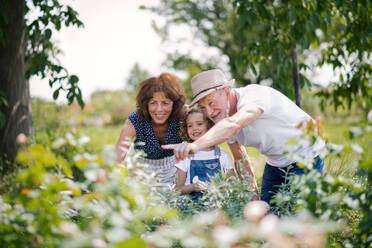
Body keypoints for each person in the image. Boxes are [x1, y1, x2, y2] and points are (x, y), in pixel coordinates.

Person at [162, 69, 324, 206]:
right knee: (266, 216)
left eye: (211, 103)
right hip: (276, 163)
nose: (209, 112)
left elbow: (235, 124)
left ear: (226, 91)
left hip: (306, 156)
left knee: (300, 218)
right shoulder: (223, 118)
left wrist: (194, 146)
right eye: (203, 107)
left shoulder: (254, 95)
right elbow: (241, 159)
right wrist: (252, 196)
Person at [116, 73, 186, 184]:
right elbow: (117, 157)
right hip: (143, 176)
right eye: (153, 103)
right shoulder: (135, 120)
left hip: (177, 174)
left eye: (165, 103)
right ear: (146, 104)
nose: (159, 109)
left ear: (174, 104)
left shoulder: (183, 115)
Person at [175, 105, 234, 199]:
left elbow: (232, 184)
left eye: (199, 124)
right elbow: (177, 190)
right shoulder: (186, 156)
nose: (194, 128)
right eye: (190, 125)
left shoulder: (223, 156)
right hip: (191, 208)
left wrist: (220, 187)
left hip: (217, 206)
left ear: (210, 126)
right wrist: (192, 187)